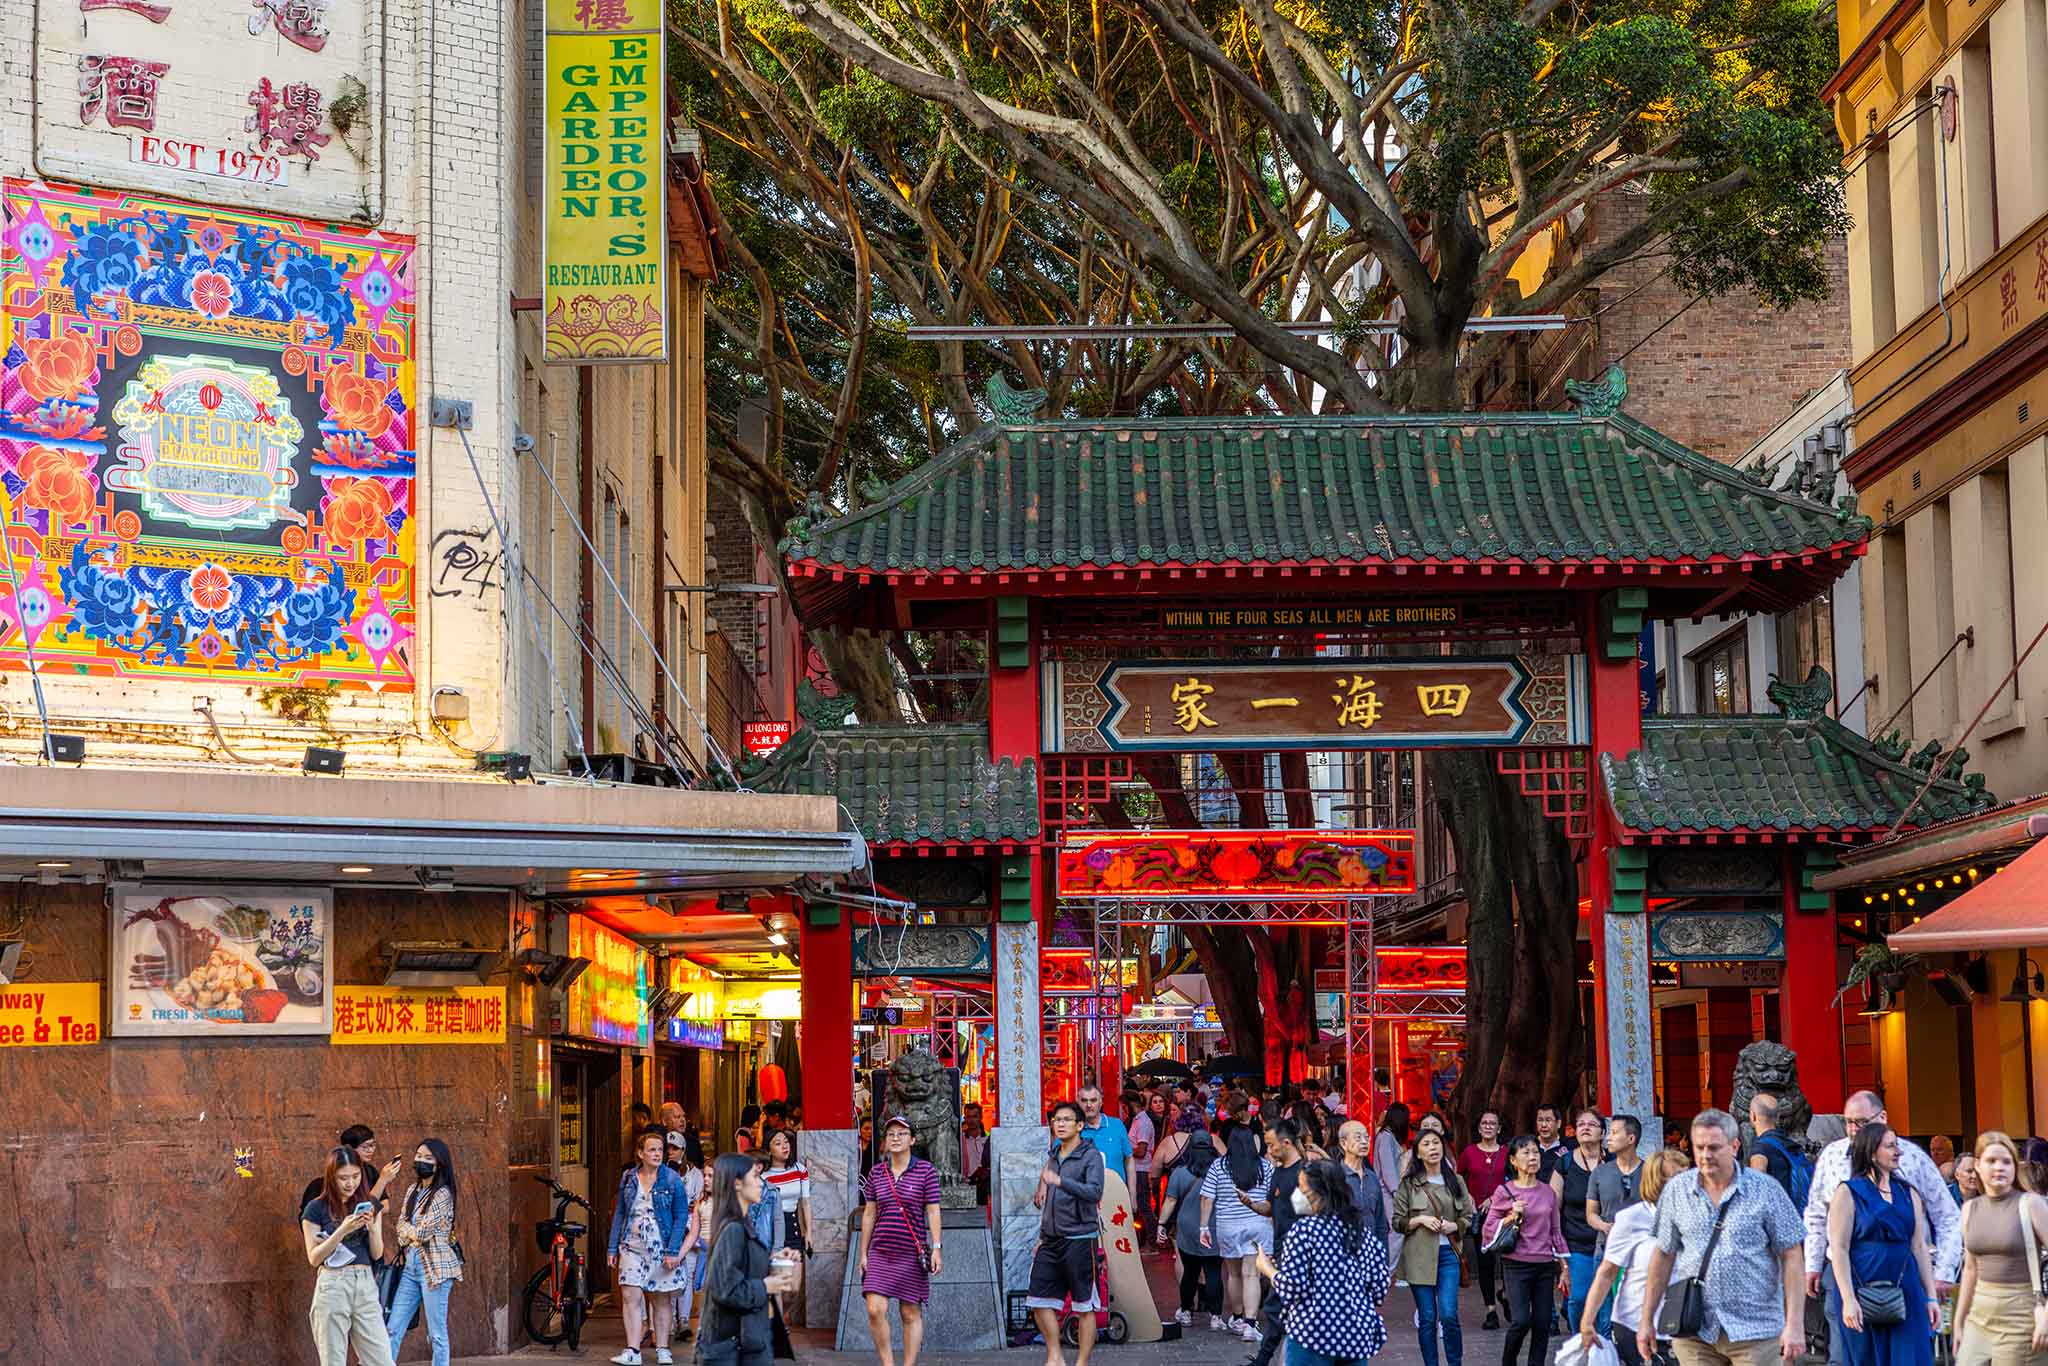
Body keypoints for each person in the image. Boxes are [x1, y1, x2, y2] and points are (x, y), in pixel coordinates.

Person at [1637, 1109, 1806, 1366]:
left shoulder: (1765, 1189)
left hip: (1756, 1330)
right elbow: (1663, 1255)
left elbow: (1792, 1254)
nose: (1706, 1156)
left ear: (1735, 1146)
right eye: (1699, 1147)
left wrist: (1794, 1323)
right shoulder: (1676, 1190)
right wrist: (1647, 1319)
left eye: (1715, 1147)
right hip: (1695, 1329)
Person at [1807, 1092, 1962, 1366]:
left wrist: (1938, 1280)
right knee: (1850, 1356)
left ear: (1882, 1118)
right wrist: (1814, 1264)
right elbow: (1819, 1217)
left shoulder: (1911, 1169)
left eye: (1861, 1122)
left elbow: (1942, 1221)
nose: (1854, 1129)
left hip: (1905, 1276)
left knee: (1908, 1355)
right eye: (1848, 1122)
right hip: (1853, 1275)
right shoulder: (1835, 1163)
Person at [1827, 1121, 1938, 1366]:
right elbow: (1839, 1248)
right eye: (1890, 1146)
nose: (1898, 1152)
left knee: (1910, 1355)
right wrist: (1848, 1298)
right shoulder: (1847, 1192)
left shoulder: (1909, 1193)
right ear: (1871, 1152)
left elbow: (1919, 1246)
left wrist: (1930, 1296)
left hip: (1905, 1286)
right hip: (1861, 1287)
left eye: (1896, 1145)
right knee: (1867, 1357)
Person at [1263, 1158, 1393, 1366]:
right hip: (1355, 1337)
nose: (1298, 1193)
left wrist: (1268, 1269)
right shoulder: (1362, 1233)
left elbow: (1293, 1287)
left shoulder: (1305, 1230)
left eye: (1302, 1187)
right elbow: (1379, 1289)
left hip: (1312, 1335)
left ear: (1315, 1192)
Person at [1577, 1147, 1692, 1366]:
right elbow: (1607, 1272)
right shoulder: (1632, 1218)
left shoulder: (1695, 1216)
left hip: (1682, 1322)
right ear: (1658, 1182)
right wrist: (1587, 1321)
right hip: (1634, 1321)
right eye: (1677, 1178)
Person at [1949, 1131, 2048, 1366]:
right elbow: (1970, 1269)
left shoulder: (2030, 1204)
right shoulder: (1969, 1209)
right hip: (1980, 1310)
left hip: (2021, 1311)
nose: (1999, 1167)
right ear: (1978, 1166)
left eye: (2007, 1161)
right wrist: (1960, 1320)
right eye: (1991, 1161)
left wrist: (2045, 1315)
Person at [700, 1152, 800, 1366]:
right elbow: (726, 1290)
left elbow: (744, 1270)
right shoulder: (733, 1229)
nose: (760, 1184)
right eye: (754, 1177)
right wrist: (766, 1286)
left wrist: (773, 1261)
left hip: (747, 1343)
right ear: (737, 1184)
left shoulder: (741, 1225)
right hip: (733, 1347)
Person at [860, 1114, 944, 1366]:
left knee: (909, 1313)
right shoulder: (877, 1172)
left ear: (913, 1140)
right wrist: (863, 1253)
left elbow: (933, 1210)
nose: (895, 1138)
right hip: (881, 1251)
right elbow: (869, 1213)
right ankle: (888, 1364)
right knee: (875, 1309)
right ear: (885, 1141)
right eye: (891, 1134)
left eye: (901, 1134)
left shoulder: (925, 1171)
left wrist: (936, 1248)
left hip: (911, 1251)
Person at [300, 1145, 394, 1366]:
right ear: (331, 1177)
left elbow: (377, 1253)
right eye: (343, 1178)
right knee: (333, 1361)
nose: (350, 1183)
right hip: (332, 1285)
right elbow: (314, 1258)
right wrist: (342, 1230)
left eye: (355, 1176)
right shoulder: (316, 1208)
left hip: (365, 1285)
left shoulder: (370, 1205)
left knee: (382, 1360)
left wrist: (372, 1228)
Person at [1028, 1101, 1106, 1366]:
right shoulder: (1053, 1154)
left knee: (1084, 1305)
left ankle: (1082, 1362)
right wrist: (1042, 1235)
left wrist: (1062, 1182)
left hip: (1080, 1239)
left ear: (1080, 1126)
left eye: (1066, 1120)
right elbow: (1048, 1201)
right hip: (1051, 1239)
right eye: (1056, 1120)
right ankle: (1055, 1354)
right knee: (1038, 1300)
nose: (1059, 1124)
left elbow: (1095, 1192)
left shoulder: (1090, 1156)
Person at [608, 1128, 693, 1366]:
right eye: (652, 1150)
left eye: (660, 1150)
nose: (657, 1154)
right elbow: (620, 1214)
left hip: (662, 1247)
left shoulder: (672, 1179)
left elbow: (679, 1216)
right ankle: (633, 1350)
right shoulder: (629, 1178)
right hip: (631, 1246)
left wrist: (673, 1251)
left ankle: (663, 1348)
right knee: (630, 1294)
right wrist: (612, 1248)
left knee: (661, 1299)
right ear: (640, 1153)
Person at [1483, 1135, 1570, 1366]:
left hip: (1543, 1265)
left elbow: (1555, 1231)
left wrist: (1564, 1266)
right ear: (1513, 1160)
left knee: (1542, 1323)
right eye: (1526, 1153)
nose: (1533, 1157)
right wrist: (1511, 1216)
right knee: (1521, 1321)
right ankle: (1508, 1361)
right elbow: (1488, 1228)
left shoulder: (1548, 1193)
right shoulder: (1504, 1192)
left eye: (1535, 1152)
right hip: (1516, 1264)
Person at [1396, 1125, 1477, 1366]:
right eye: (1426, 1144)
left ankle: (1455, 1362)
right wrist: (1419, 1220)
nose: (1433, 1148)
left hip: (1449, 1255)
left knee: (1449, 1315)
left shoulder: (1456, 1180)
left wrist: (1456, 1226)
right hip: (1419, 1258)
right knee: (1428, 1318)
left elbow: (1468, 1216)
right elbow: (1397, 1222)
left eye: (1436, 1143)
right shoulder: (1409, 1184)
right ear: (1418, 1153)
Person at [387, 1137, 463, 1366]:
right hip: (410, 1267)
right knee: (392, 1328)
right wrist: (411, 1231)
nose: (421, 1161)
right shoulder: (412, 1190)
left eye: (428, 1158)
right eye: (419, 1156)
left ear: (439, 1163)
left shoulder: (443, 1194)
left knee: (437, 1335)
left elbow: (421, 1233)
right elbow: (400, 1228)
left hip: (435, 1271)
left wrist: (410, 1231)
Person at [1203, 1115, 1277, 1341]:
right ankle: (1250, 1325)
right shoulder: (1266, 1166)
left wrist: (1203, 1227)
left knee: (1233, 1274)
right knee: (1251, 1274)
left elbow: (1207, 1197)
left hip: (1228, 1226)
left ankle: (1236, 1318)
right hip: (1257, 1225)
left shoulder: (1218, 1166)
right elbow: (1273, 1198)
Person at [1250, 1118, 1312, 1366]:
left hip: (1298, 1249)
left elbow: (1307, 1212)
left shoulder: (1305, 1173)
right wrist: (1251, 1204)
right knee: (1279, 1307)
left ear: (1286, 1142)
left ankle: (1263, 1360)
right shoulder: (1278, 1171)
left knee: (1276, 1306)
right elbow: (1271, 1208)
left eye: (1271, 1145)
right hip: (1281, 1246)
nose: (1269, 1151)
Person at [1159, 1117, 1227, 1329]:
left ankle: (1186, 1311)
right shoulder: (1222, 1172)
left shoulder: (1180, 1172)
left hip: (1187, 1228)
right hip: (1215, 1227)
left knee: (1190, 1272)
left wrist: (1161, 1224)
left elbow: (1170, 1200)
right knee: (1214, 1272)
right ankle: (1216, 1317)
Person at [1555, 1108, 1609, 1336]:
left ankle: (1606, 1354)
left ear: (1603, 1132)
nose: (1585, 1128)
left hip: (1609, 1243)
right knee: (1577, 1299)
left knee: (1606, 1304)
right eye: (1580, 1125)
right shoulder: (1565, 1163)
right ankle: (1581, 1340)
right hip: (1576, 1243)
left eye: (1592, 1124)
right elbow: (1553, 1210)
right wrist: (1561, 1259)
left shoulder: (1615, 1162)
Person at [1460, 1111, 1511, 1331]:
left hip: (1505, 1214)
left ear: (1499, 1128)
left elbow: (1514, 1180)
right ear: (1479, 1128)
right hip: (1480, 1216)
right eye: (1484, 1123)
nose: (1488, 1126)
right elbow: (1458, 1177)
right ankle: (1490, 1309)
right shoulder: (1469, 1152)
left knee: (1508, 1258)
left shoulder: (1507, 1152)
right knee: (1485, 1263)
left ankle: (1507, 1295)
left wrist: (1496, 1197)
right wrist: (1467, 1196)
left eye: (1492, 1123)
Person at [300, 1123, 402, 1222]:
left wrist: (364, 1213)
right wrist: (382, 1181)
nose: (351, 1184)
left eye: (356, 1176)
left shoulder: (370, 1171)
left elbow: (383, 1206)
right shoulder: (317, 1192)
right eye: (365, 1147)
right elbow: (350, 1213)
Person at [1590, 1115, 1646, 1252]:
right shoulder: (1599, 1172)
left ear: (1631, 1139)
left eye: (1614, 1133)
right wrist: (1604, 1226)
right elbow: (1591, 1214)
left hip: (1640, 1249)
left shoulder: (1650, 1173)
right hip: (1606, 1247)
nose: (1608, 1138)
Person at [1077, 1084, 1136, 1207]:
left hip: (1116, 1198)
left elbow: (1129, 1159)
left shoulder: (1117, 1125)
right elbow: (1055, 1161)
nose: (1089, 1105)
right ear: (1077, 1102)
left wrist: (1132, 1195)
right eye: (1084, 1100)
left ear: (1101, 1102)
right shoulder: (1072, 1129)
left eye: (1093, 1100)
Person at [1337, 1119, 1392, 1248]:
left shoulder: (1372, 1178)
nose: (1364, 1142)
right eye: (1358, 1138)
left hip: (1370, 1255)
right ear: (1344, 1143)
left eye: (1366, 1137)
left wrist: (1382, 1260)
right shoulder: (1335, 1177)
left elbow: (1381, 1225)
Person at [1376, 1102, 1413, 1269]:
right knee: (1396, 1230)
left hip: (1390, 1191)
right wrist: (1397, 1192)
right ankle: (1388, 1269)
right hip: (1388, 1192)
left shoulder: (1386, 1137)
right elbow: (1388, 1168)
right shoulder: (1386, 1138)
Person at [763, 1130, 812, 1254]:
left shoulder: (799, 1169)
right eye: (778, 1143)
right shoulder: (763, 1176)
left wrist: (808, 1233)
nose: (785, 1146)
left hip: (793, 1226)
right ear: (769, 1150)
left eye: (786, 1141)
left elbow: (805, 1203)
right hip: (772, 1228)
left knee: (796, 1269)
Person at [1747, 1094, 1800, 1204]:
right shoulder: (1790, 1144)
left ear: (1753, 1116)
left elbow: (1757, 1186)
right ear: (1777, 1117)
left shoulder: (1760, 1149)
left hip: (1777, 1216)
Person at [1133, 1090, 1167, 1238]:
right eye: (1155, 1102)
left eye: (1161, 1101)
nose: (1158, 1105)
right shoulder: (1149, 1120)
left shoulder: (1157, 1121)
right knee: (1151, 1199)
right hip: (1152, 1162)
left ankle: (1154, 1236)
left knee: (1150, 1201)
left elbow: (1142, 1149)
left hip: (1155, 1162)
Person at [1535, 1107, 1569, 1183]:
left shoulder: (1570, 1146)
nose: (1543, 1125)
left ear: (1558, 1123)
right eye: (1540, 1120)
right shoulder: (1530, 1146)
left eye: (1548, 1120)